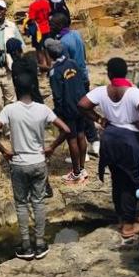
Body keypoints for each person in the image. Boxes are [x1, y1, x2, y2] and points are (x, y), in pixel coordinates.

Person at [0, 72, 70, 260]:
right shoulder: (43, 109)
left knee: (21, 204)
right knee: (38, 202)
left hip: (18, 163)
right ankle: (40, 243)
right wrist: (51, 147)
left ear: (16, 89)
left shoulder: (9, 110)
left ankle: (26, 245)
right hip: (38, 162)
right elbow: (66, 130)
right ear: (33, 89)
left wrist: (4, 151)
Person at [79, 57, 139, 242]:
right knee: (131, 181)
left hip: (110, 138)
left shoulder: (102, 91)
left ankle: (123, 217)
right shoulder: (133, 93)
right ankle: (129, 224)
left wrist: (100, 120)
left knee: (118, 178)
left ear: (109, 74)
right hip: (129, 140)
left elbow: (82, 105)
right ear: (126, 72)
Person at [45, 38, 89, 183]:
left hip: (68, 109)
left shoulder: (54, 72)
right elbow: (83, 80)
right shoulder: (73, 63)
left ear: (49, 54)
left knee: (72, 139)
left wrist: (58, 113)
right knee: (81, 134)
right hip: (81, 105)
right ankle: (82, 168)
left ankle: (76, 173)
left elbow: (57, 96)